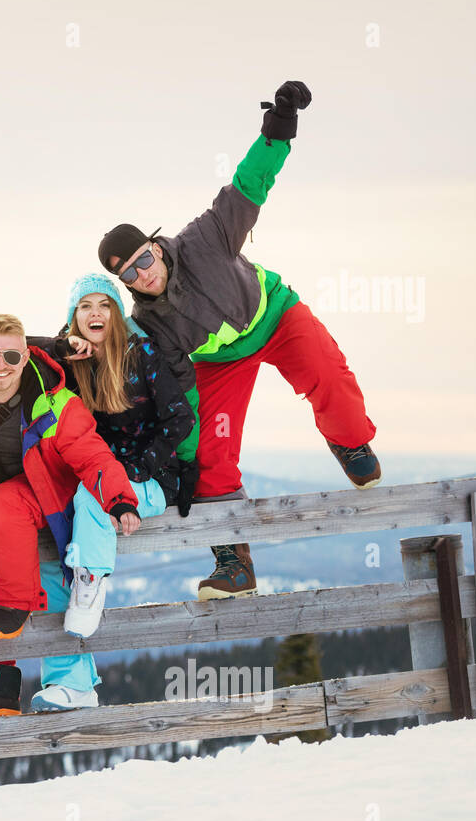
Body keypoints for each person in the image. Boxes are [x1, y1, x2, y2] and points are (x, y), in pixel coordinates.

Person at [98, 80, 380, 600]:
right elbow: (178, 391)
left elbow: (248, 186)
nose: (143, 276)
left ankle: (349, 439)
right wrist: (183, 458)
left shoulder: (205, 237)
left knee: (327, 375)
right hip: (218, 361)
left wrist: (279, 127)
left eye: (143, 260)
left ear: (156, 248)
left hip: (272, 315)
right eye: (130, 276)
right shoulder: (150, 323)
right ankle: (235, 565)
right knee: (210, 454)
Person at [0, 314, 137, 719]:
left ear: (24, 356)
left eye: (11, 356)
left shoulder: (54, 400)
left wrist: (119, 499)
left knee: (4, 506)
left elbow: (92, 454)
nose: (1, 365)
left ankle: (14, 604)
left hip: (38, 495)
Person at [22, 273, 194, 700]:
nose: (95, 313)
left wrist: (138, 467)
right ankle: (70, 684)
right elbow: (10, 348)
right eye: (85, 306)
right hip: (93, 480)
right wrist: (63, 348)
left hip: (146, 479)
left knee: (90, 502)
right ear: (73, 317)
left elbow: (180, 418)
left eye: (105, 304)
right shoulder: (65, 362)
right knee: (51, 552)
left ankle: (92, 580)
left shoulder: (142, 355)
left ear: (117, 314)